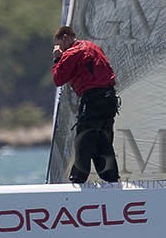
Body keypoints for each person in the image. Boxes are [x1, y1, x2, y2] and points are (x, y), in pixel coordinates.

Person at [51, 25, 121, 183]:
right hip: (110, 99)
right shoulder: (93, 46)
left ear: (65, 38)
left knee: (84, 139)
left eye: (59, 44)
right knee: (102, 141)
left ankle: (78, 179)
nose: (60, 48)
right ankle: (111, 179)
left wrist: (57, 58)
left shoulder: (72, 52)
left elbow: (58, 79)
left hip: (93, 99)